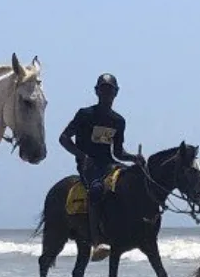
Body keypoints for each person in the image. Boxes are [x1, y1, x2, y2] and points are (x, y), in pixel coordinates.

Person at [58, 74, 141, 259]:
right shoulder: (85, 114)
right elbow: (64, 138)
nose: (107, 93)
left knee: (134, 181)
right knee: (96, 189)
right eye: (103, 89)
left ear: (116, 93)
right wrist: (82, 155)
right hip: (88, 166)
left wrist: (134, 158)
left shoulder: (118, 121)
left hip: (109, 164)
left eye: (110, 90)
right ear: (96, 91)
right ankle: (97, 241)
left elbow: (118, 153)